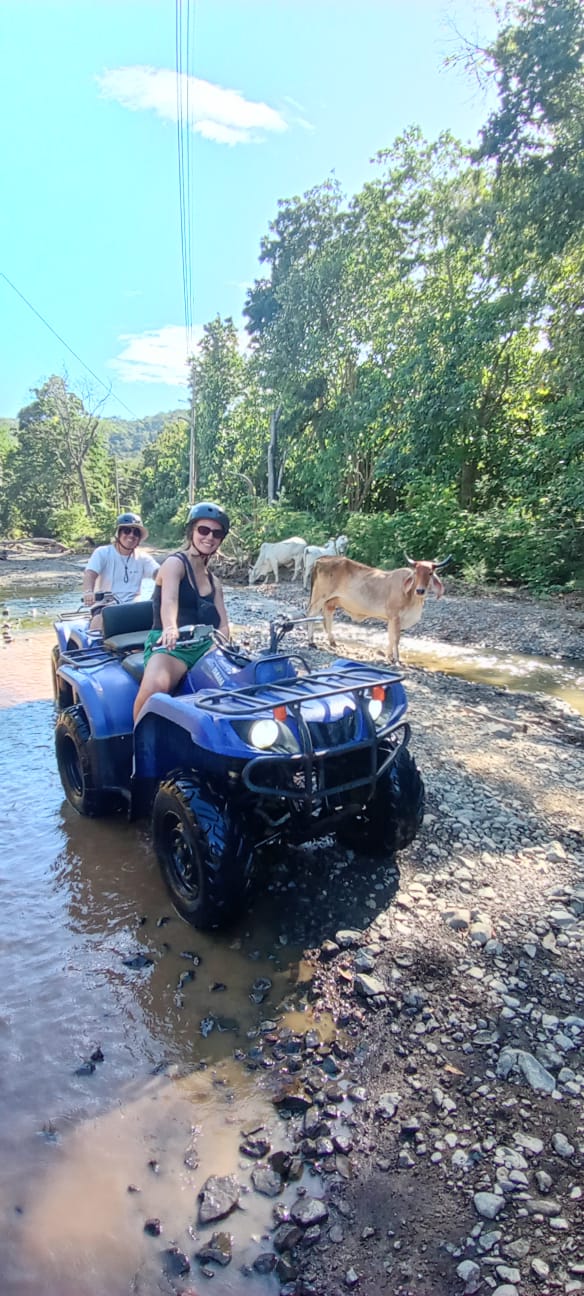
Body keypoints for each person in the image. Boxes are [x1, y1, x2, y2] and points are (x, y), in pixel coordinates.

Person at [133, 502, 230, 722]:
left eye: (216, 533)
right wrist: (170, 627)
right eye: (203, 530)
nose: (209, 537)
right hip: (172, 645)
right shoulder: (175, 563)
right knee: (153, 689)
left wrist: (222, 645)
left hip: (205, 647)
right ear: (192, 532)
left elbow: (223, 624)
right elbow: (170, 600)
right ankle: (138, 747)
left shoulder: (214, 581)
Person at [82, 512, 159, 610]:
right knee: (101, 619)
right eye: (127, 531)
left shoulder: (143, 558)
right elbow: (90, 574)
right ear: (118, 534)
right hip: (105, 605)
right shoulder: (102, 552)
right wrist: (88, 592)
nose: (131, 535)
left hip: (133, 607)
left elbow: (158, 573)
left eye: (136, 533)